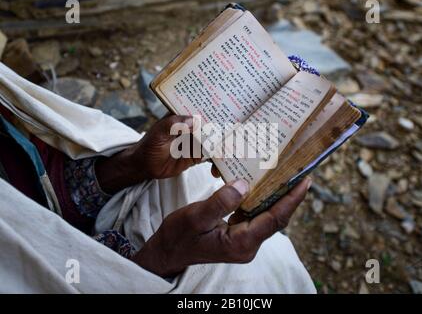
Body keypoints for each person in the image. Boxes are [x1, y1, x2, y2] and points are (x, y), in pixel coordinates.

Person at [0, 62, 316, 293]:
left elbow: (31, 179)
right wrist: (162, 257)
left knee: (206, 184)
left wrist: (132, 166)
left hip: (96, 213)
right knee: (258, 279)